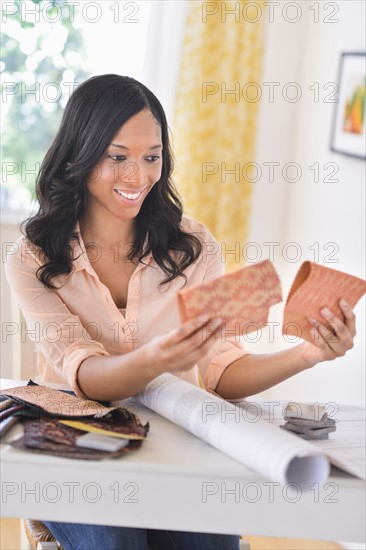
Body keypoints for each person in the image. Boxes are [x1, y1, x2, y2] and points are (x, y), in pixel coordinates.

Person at [5, 74, 356, 550]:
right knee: (118, 541)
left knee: (210, 545)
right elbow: (83, 374)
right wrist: (158, 359)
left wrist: (308, 354)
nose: (138, 176)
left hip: (176, 439)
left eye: (152, 157)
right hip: (73, 443)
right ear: (79, 156)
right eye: (117, 157)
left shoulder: (195, 248)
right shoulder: (33, 257)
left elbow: (220, 370)